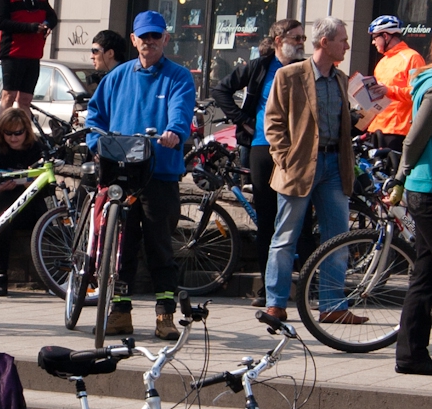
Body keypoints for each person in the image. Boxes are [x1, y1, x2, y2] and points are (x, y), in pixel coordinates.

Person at [85, 10, 195, 340]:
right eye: (143, 37)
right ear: (133, 40)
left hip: (159, 172)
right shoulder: (116, 77)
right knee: (122, 246)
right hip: (121, 174)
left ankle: (164, 316)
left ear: (165, 39)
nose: (149, 42)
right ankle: (120, 312)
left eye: (155, 36)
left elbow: (181, 111)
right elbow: (95, 116)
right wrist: (95, 140)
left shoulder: (178, 77)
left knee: (160, 245)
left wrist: (175, 131)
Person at [262, 16, 366, 325]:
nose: (347, 45)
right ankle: (276, 303)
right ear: (325, 42)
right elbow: (274, 123)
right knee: (285, 237)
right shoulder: (290, 75)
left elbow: (346, 125)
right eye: (343, 40)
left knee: (337, 236)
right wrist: (286, 158)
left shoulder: (341, 79)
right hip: (300, 166)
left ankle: (333, 305)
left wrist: (371, 110)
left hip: (335, 165)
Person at [211, 19, 306, 305]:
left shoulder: (305, 70)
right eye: (296, 38)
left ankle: (305, 284)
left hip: (297, 152)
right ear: (279, 40)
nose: (302, 43)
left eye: (303, 38)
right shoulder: (259, 67)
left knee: (300, 217)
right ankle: (268, 288)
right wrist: (242, 120)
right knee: (267, 220)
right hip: (263, 147)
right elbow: (220, 90)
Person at [388, 34, 432, 375]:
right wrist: (401, 178)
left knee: (426, 272)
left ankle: (411, 354)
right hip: (430, 189)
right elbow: (415, 138)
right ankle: (410, 353)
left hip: (426, 188)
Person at [0, 108, 46, 296]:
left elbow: (48, 186)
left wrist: (28, 185)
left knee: (9, 202)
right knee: (3, 219)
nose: (13, 138)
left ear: (26, 131)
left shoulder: (36, 149)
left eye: (18, 133)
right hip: (2, 205)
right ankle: (1, 276)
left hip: (30, 207)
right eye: (8, 133)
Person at [367, 15, 425, 151]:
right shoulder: (382, 62)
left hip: (398, 130)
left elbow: (418, 94)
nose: (373, 42)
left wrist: (389, 90)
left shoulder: (412, 57)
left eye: (375, 37)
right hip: (376, 128)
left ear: (385, 36)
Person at [0, 0, 58, 118]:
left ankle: (24, 134)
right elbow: (1, 22)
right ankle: (3, 133)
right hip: (13, 53)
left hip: (33, 55)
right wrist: (30, 27)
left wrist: (46, 24)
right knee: (9, 96)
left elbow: (52, 17)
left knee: (25, 100)